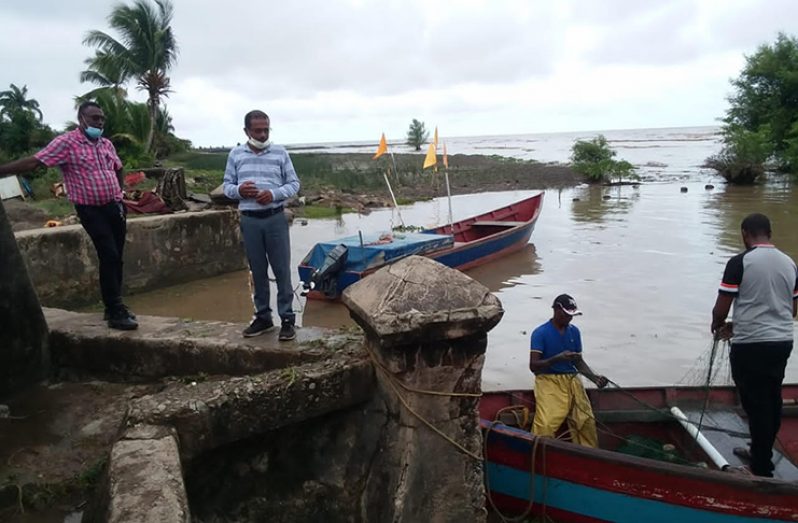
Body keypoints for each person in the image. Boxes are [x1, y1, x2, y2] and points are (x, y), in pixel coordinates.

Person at [0, 101, 137, 330]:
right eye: (94, 118)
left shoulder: (105, 144)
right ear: (81, 120)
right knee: (109, 254)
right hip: (90, 209)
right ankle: (115, 311)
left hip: (114, 206)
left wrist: (119, 194)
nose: (99, 122)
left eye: (101, 118)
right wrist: (2, 170)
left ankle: (112, 305)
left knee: (117, 257)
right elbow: (36, 162)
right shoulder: (67, 143)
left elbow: (118, 167)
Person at [711, 213, 797, 477]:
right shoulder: (789, 263)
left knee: (755, 403)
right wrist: (740, 324)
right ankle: (761, 451)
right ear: (768, 233)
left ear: (745, 233)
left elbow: (722, 306)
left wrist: (718, 324)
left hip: (751, 345)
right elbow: (791, 309)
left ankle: (760, 468)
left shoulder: (740, 262)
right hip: (782, 342)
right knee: (771, 399)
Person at [223, 110, 300, 341]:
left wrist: (274, 194)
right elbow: (226, 185)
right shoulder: (236, 154)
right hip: (249, 219)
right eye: (258, 130)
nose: (263, 134)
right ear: (247, 131)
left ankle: (287, 319)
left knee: (281, 270)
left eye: (266, 129)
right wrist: (239, 191)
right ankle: (263, 318)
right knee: (257, 270)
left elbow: (294, 183)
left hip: (275, 218)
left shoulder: (280, 152)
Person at [529, 294, 608, 447]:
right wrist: (556, 359)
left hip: (572, 380)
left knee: (585, 421)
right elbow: (533, 366)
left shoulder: (574, 332)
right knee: (546, 424)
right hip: (548, 381)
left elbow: (578, 362)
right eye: (566, 315)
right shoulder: (540, 333)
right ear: (557, 310)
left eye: (572, 315)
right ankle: (538, 456)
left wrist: (595, 379)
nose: (569, 319)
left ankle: (588, 456)